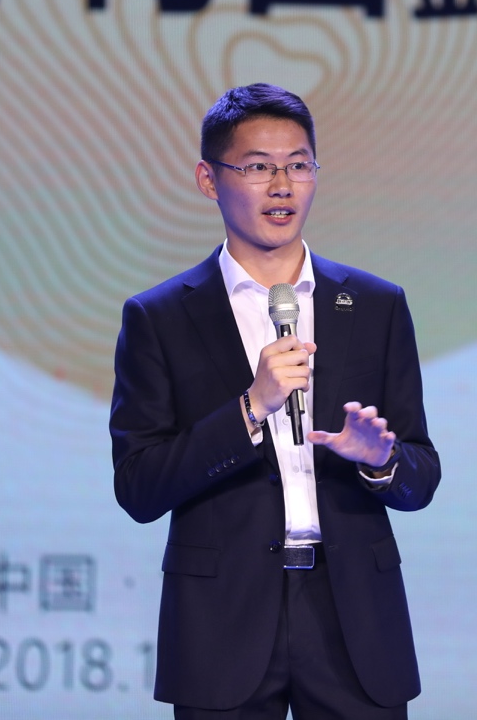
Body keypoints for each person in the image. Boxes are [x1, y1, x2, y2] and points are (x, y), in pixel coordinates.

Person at [109, 83, 441, 719]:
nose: (282, 185)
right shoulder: (160, 318)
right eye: (258, 167)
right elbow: (139, 489)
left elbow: (421, 477)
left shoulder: (376, 305)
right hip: (222, 620)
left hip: (353, 619)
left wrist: (381, 460)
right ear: (209, 179)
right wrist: (250, 408)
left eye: (298, 165)